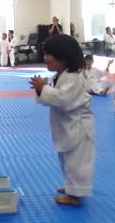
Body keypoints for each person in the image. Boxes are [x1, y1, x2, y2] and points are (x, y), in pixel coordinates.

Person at [29, 34, 94, 206]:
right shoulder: (59, 76)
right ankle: (71, 186)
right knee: (66, 158)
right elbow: (51, 98)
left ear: (64, 58)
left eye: (49, 54)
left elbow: (63, 100)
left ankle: (75, 195)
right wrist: (40, 90)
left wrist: (43, 89)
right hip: (66, 126)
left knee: (76, 162)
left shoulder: (73, 78)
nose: (45, 58)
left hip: (78, 127)